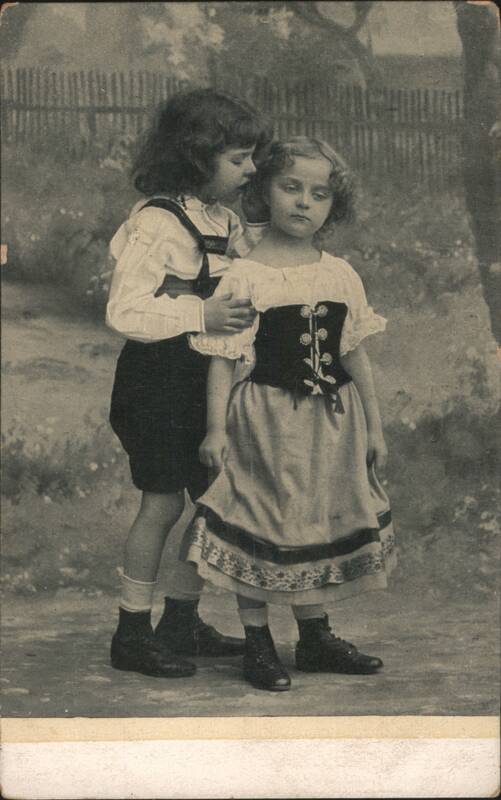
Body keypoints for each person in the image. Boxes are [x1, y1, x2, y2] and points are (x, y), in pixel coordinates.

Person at [182, 137, 397, 691]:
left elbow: (354, 353)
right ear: (264, 190)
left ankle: (315, 637)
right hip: (265, 423)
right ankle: (257, 642)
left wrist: (374, 428)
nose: (304, 202)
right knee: (262, 522)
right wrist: (215, 430)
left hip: (331, 425)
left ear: (333, 205)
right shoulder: (246, 274)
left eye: (319, 194)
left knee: (309, 522)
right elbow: (224, 360)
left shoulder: (340, 273)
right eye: (291, 187)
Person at [106, 89, 272, 678]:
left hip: (207, 380)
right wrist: (201, 313)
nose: (251, 169)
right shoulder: (157, 221)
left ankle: (181, 621)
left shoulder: (223, 221)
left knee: (211, 501)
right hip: (156, 380)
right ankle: (131, 631)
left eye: (252, 158)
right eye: (238, 159)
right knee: (163, 501)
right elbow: (124, 311)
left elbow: (253, 278)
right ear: (196, 157)